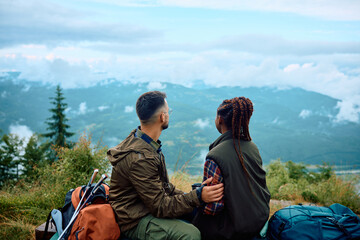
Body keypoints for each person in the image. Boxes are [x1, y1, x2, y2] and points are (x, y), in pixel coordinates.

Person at [108, 91, 224, 240]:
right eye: (168, 112)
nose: (169, 115)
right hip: (133, 220)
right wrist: (198, 197)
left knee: (199, 214)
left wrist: (195, 195)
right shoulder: (140, 158)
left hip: (145, 207)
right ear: (162, 117)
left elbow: (164, 187)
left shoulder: (145, 142)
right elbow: (160, 206)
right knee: (190, 234)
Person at [193, 96, 270, 240]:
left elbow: (212, 208)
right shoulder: (252, 146)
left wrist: (197, 196)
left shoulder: (215, 156)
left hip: (232, 230)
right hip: (257, 221)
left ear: (220, 119)